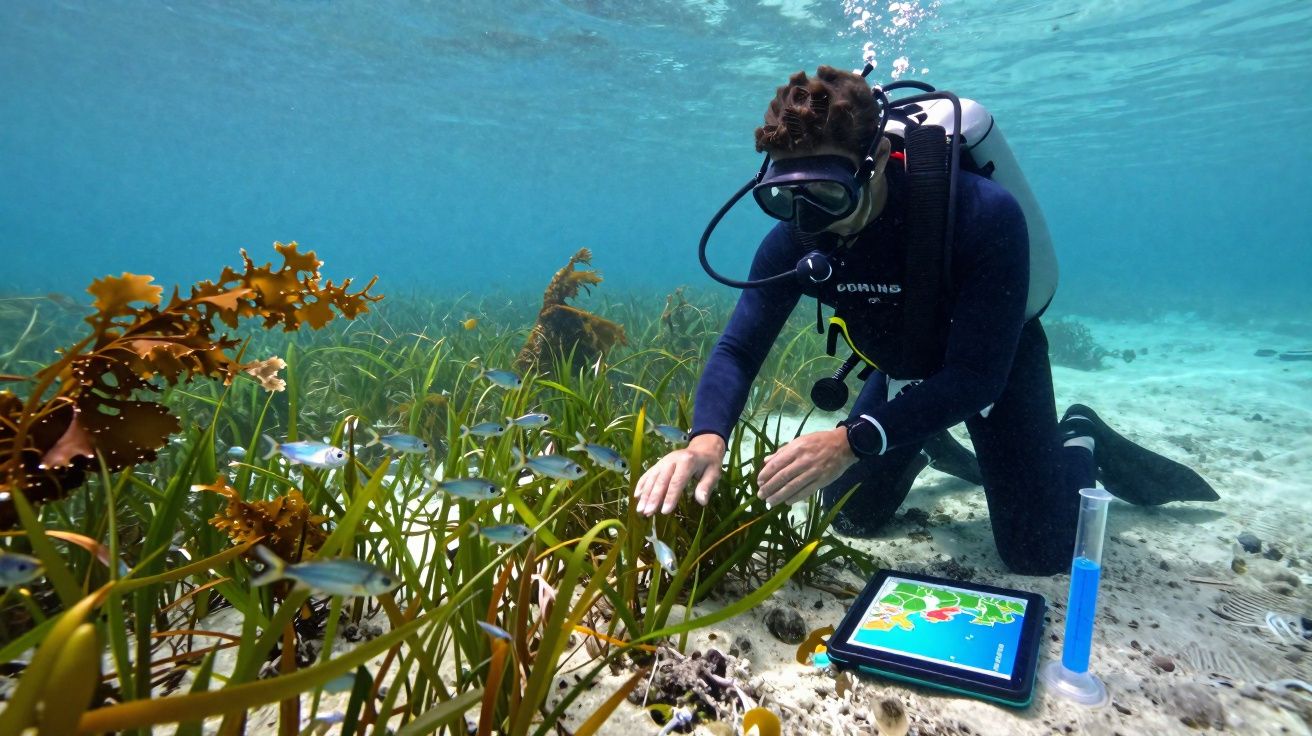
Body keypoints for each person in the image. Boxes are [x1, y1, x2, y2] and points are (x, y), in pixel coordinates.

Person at [633, 66, 1218, 575]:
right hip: (903, 364)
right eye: (785, 196)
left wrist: (851, 440)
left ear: (878, 161)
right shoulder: (796, 236)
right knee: (855, 519)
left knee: (1037, 551)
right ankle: (921, 434)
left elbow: (976, 377)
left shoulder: (982, 215)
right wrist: (706, 438)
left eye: (828, 193)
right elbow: (739, 348)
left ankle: (1080, 433)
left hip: (993, 366)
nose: (807, 216)